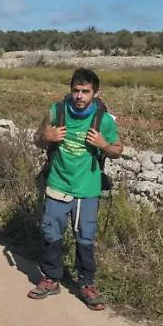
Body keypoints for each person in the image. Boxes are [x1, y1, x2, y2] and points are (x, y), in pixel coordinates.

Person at [28, 68, 122, 310]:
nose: (79, 96)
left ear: (95, 93)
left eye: (85, 91)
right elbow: (37, 138)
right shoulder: (56, 111)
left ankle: (86, 284)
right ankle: (51, 278)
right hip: (57, 184)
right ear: (71, 90)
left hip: (87, 189)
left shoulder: (104, 120)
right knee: (51, 234)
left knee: (85, 238)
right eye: (76, 90)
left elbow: (118, 150)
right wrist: (46, 137)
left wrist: (103, 145)